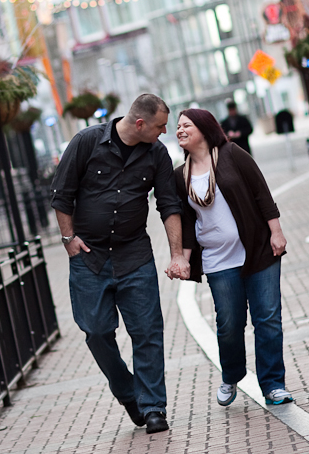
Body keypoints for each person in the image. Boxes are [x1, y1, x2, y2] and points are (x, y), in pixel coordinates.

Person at [51, 93, 190, 434]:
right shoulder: (86, 142)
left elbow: (169, 205)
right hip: (88, 257)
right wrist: (69, 239)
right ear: (140, 123)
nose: (165, 132)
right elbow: (61, 194)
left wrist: (176, 254)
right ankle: (128, 393)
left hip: (134, 256)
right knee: (96, 332)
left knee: (147, 333)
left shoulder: (156, 154)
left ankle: (154, 407)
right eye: (160, 126)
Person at [170, 108, 293, 407]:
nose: (180, 130)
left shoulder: (231, 154)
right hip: (217, 260)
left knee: (267, 319)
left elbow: (261, 193)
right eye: (177, 126)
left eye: (186, 125)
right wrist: (182, 259)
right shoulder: (179, 174)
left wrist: (276, 232)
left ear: (204, 128)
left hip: (257, 251)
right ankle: (232, 375)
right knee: (229, 324)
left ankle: (273, 384)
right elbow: (187, 223)